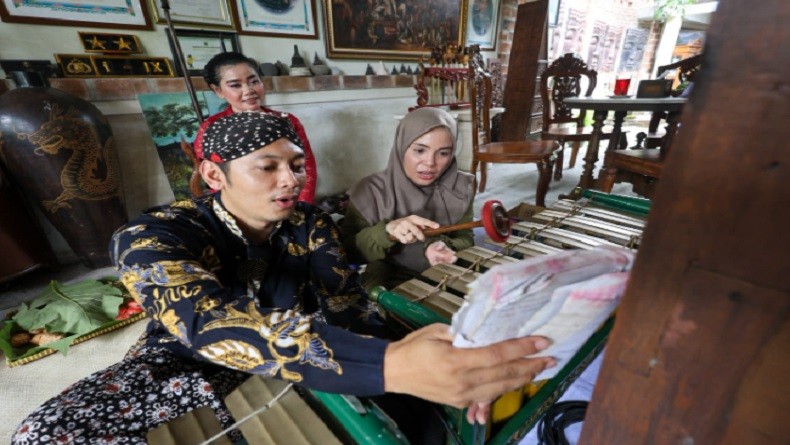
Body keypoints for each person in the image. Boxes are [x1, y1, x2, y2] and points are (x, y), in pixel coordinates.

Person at [12, 112, 555, 444]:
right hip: (188, 363)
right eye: (266, 166)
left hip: (318, 351)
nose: (290, 180)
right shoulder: (152, 236)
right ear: (212, 173)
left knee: (434, 418)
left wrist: (425, 360)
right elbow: (206, 322)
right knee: (46, 433)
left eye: (294, 164)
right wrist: (388, 365)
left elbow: (345, 303)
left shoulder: (311, 223)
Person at [341, 107, 475, 291]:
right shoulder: (370, 191)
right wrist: (387, 231)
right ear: (401, 146)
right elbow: (347, 252)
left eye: (443, 153)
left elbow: (466, 238)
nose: (430, 163)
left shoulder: (460, 187)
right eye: (420, 150)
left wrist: (444, 245)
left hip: (446, 269)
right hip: (391, 272)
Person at [193, 51, 317, 203]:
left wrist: (301, 206)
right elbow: (216, 178)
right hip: (242, 208)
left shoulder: (288, 121)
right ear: (218, 90)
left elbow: (307, 166)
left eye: (254, 81)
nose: (248, 90)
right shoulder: (212, 128)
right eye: (236, 85)